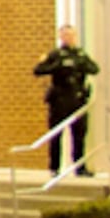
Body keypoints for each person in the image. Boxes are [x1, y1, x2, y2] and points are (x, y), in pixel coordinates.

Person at [33, 25, 99, 176]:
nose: (68, 38)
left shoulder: (81, 55)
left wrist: (81, 65)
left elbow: (95, 69)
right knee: (56, 134)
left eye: (71, 35)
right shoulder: (56, 55)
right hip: (60, 100)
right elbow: (38, 70)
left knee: (80, 135)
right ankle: (54, 167)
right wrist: (57, 66)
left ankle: (80, 167)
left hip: (77, 100)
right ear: (60, 37)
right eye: (65, 35)